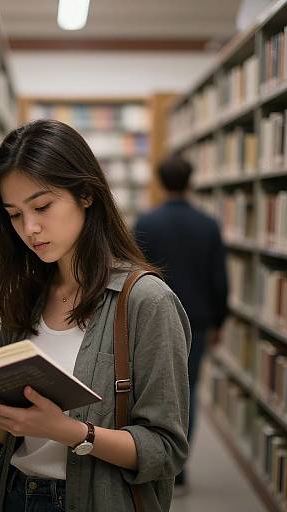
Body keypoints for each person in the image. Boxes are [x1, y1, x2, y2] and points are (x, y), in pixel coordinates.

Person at [0, 119, 191, 512]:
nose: (30, 228)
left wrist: (67, 432)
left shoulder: (146, 302)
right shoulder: (25, 297)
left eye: (42, 206)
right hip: (13, 494)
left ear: (86, 194)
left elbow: (165, 450)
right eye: (14, 215)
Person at [134, 155, 228, 492]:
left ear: (160, 182)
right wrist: (219, 321)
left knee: (153, 393)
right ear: (190, 182)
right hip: (199, 319)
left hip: (151, 320)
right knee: (187, 392)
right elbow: (219, 279)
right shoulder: (209, 224)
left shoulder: (146, 223)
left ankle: (157, 465)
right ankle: (180, 472)